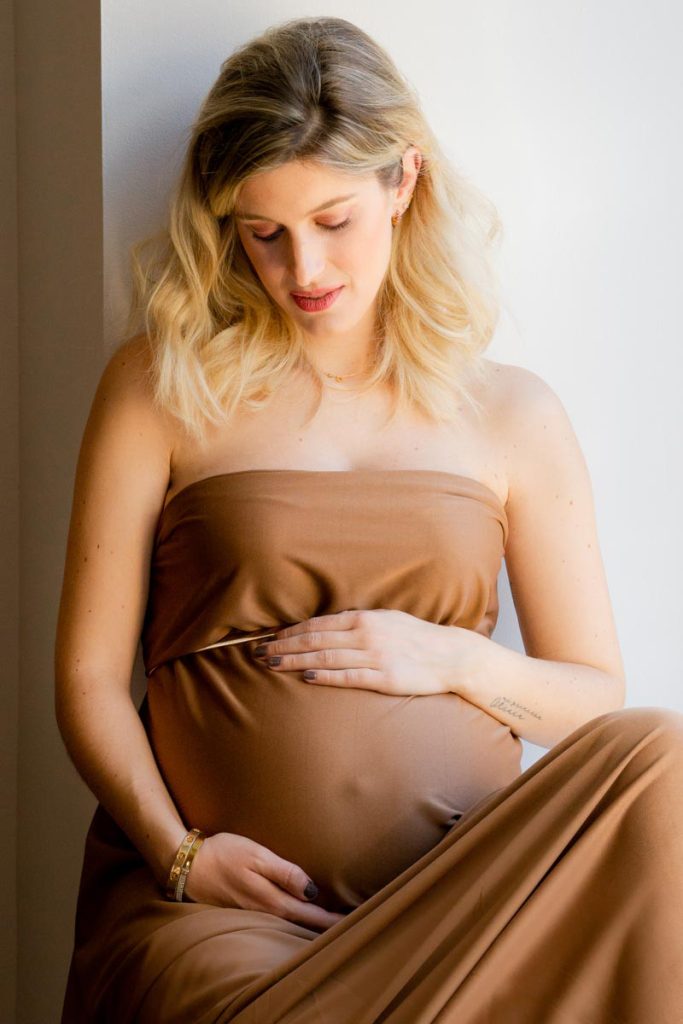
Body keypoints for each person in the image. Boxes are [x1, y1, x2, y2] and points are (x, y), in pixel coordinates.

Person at [56, 14, 683, 1023]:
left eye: (332, 220)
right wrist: (179, 854)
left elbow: (592, 696)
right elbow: (87, 680)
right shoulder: (159, 386)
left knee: (659, 760)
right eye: (263, 233)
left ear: (404, 182)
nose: (303, 269)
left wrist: (451, 659)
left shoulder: (511, 412)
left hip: (465, 900)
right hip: (228, 911)